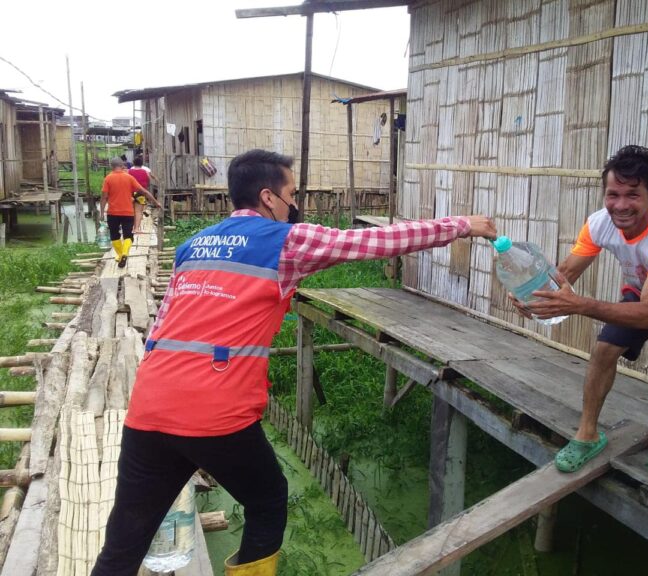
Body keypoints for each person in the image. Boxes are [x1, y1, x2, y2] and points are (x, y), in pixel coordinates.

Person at [91, 149, 497, 576]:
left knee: (125, 535)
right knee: (267, 498)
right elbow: (379, 241)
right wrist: (462, 226)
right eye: (291, 193)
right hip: (215, 409)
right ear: (269, 198)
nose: (294, 203)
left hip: (150, 404)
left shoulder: (192, 246)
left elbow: (161, 325)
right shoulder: (287, 240)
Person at [513, 145, 648, 475]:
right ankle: (587, 435)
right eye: (613, 194)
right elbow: (566, 273)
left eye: (633, 195)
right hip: (645, 291)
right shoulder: (599, 223)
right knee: (603, 350)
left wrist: (580, 304)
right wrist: (532, 293)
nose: (621, 205)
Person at [100, 157, 161, 268]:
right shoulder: (129, 178)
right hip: (127, 212)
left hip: (112, 212)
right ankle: (125, 253)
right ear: (122, 165)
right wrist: (156, 202)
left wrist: (101, 212)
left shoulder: (108, 179)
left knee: (114, 235)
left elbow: (104, 197)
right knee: (128, 235)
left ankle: (120, 255)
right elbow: (144, 191)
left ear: (111, 166)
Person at [127, 155, 158, 233]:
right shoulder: (145, 172)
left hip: (130, 193)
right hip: (141, 193)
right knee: (138, 212)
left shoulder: (129, 171)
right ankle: (136, 229)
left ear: (133, 163)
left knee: (130, 211)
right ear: (142, 164)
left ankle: (129, 228)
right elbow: (148, 181)